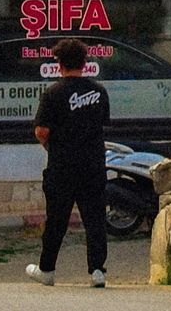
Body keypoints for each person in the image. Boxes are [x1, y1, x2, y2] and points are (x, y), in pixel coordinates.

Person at [26, 38, 110, 287]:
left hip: (62, 166)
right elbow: (102, 124)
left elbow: (41, 131)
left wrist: (53, 147)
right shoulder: (99, 92)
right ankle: (97, 271)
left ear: (59, 63)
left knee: (56, 220)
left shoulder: (53, 93)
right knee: (95, 218)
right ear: (85, 63)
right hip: (93, 164)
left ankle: (47, 269)